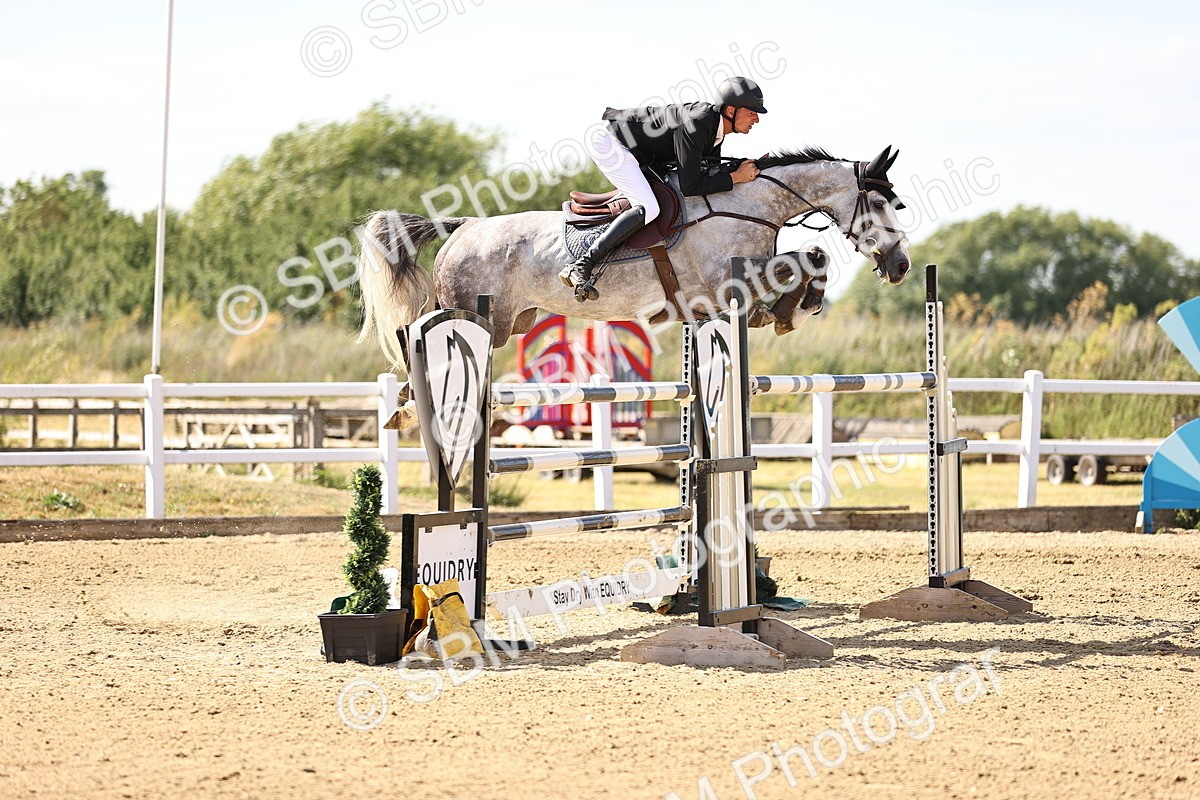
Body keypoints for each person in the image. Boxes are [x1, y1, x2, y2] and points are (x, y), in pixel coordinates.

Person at [560, 76, 768, 301]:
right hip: (612, 143)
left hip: (639, 150)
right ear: (730, 110)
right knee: (649, 207)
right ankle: (581, 264)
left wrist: (742, 168)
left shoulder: (714, 130)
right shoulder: (699, 124)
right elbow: (691, 185)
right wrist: (736, 177)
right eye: (751, 112)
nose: (756, 119)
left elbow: (709, 171)